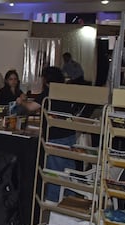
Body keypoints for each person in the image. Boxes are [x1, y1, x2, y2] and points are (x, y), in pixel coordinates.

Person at [36, 66, 76, 202]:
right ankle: (70, 200)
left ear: (46, 79)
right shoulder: (66, 90)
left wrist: (21, 101)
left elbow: (32, 107)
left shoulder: (49, 91)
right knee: (69, 171)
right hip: (69, 134)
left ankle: (53, 202)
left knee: (55, 173)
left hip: (55, 137)